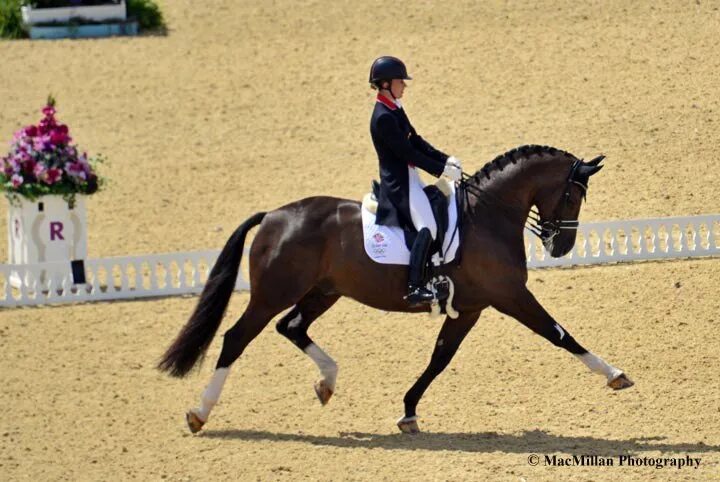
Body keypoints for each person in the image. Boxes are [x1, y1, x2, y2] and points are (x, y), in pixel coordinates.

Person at [368, 56, 463, 305]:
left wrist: (445, 160)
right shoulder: (382, 117)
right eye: (401, 81)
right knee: (428, 227)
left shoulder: (395, 108)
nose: (405, 86)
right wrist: (440, 172)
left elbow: (416, 140)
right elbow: (407, 153)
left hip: (411, 177)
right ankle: (415, 286)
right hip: (399, 184)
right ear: (386, 83)